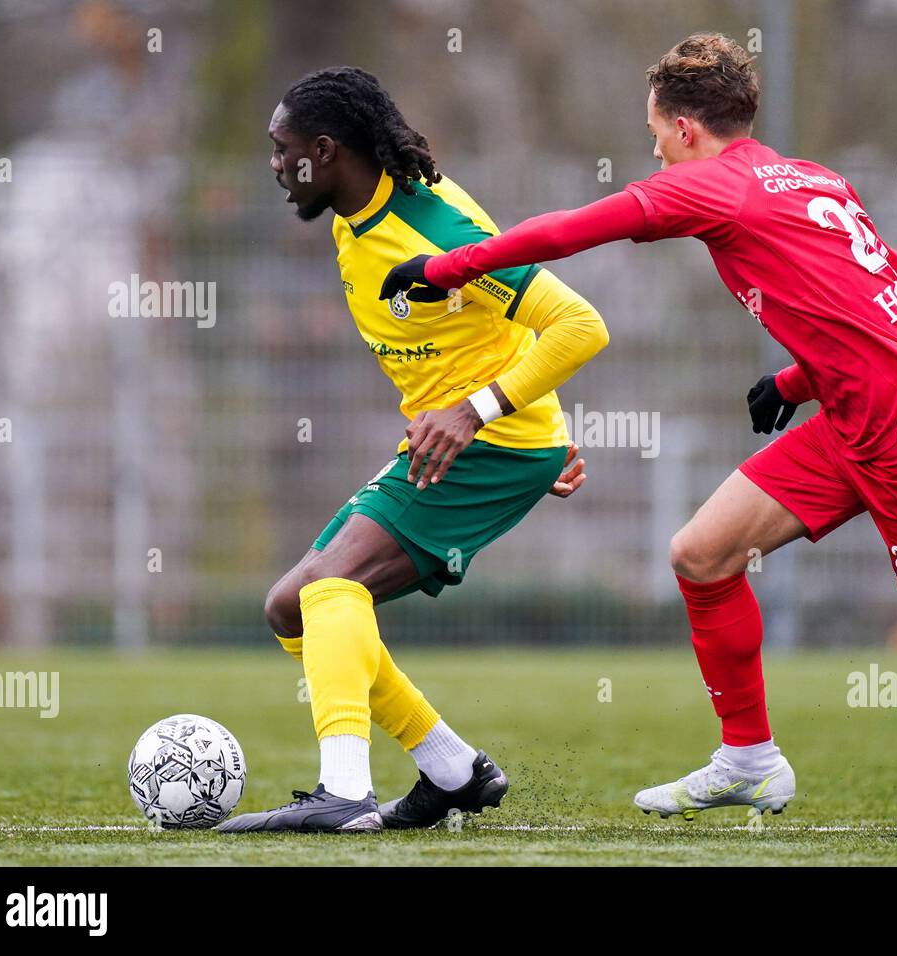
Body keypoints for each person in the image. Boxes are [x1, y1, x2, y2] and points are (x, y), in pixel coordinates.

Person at [381, 34, 897, 835]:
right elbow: (888, 279)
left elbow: (576, 228)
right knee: (701, 555)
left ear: (685, 128)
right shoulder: (813, 176)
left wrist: (446, 268)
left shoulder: (711, 187)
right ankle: (748, 757)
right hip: (857, 418)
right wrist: (794, 382)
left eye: (654, 134)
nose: (656, 152)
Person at [220, 66, 608, 832]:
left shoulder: (440, 234)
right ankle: (453, 769)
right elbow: (488, 336)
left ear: (325, 151)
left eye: (281, 149)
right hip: (482, 442)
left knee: (330, 589)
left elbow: (580, 325)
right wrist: (532, 428)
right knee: (290, 609)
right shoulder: (350, 215)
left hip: (488, 443)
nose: (272, 165)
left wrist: (492, 414)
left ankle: (345, 794)